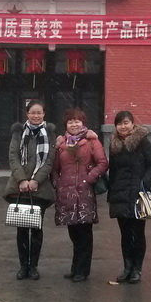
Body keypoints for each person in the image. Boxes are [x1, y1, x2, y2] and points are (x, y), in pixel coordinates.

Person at [52, 108, 108, 282]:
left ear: (83, 123)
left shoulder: (92, 141)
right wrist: (57, 183)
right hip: (66, 194)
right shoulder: (61, 143)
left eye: (77, 121)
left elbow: (102, 163)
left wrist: (88, 179)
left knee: (85, 234)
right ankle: (75, 267)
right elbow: (55, 168)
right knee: (74, 233)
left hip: (84, 194)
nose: (74, 124)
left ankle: (83, 270)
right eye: (70, 122)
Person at [4, 99, 56, 280]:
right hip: (19, 187)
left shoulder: (49, 133)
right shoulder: (19, 132)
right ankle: (23, 266)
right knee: (21, 229)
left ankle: (33, 266)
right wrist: (21, 179)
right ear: (27, 114)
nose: (36, 116)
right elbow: (13, 157)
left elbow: (49, 161)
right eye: (33, 112)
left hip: (39, 188)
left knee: (36, 228)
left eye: (39, 112)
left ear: (44, 114)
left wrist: (35, 180)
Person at [108, 110, 151, 283]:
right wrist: (111, 192)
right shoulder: (114, 144)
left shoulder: (142, 141)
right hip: (120, 193)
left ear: (132, 123)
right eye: (119, 123)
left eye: (126, 122)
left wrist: (144, 184)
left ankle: (137, 269)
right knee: (125, 234)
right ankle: (127, 267)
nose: (123, 126)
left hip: (138, 194)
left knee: (138, 233)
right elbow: (113, 170)